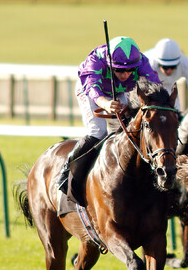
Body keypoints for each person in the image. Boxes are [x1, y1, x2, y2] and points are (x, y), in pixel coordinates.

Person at [56, 36, 161, 205]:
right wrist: (105, 104)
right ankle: (67, 171)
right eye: (120, 70)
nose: (126, 74)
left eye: (130, 70)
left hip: (119, 91)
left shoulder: (141, 61)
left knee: (126, 132)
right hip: (91, 92)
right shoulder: (95, 61)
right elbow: (92, 89)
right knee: (98, 132)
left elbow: (155, 84)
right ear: (110, 64)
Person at [144, 38, 188, 110]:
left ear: (178, 63)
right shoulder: (149, 65)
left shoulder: (186, 64)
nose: (169, 71)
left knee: (176, 111)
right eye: (165, 67)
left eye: (173, 67)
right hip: (149, 86)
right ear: (158, 63)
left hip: (170, 86)